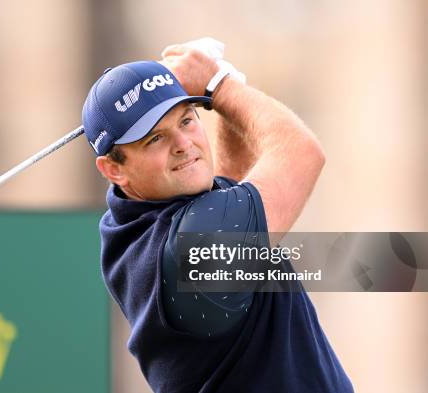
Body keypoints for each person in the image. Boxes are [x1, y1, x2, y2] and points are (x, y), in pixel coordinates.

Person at [82, 39, 354, 393]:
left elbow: (232, 190)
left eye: (187, 120)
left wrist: (225, 99)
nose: (183, 143)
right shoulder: (192, 248)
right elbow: (302, 154)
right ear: (113, 169)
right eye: (154, 139)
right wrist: (220, 85)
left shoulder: (133, 222)